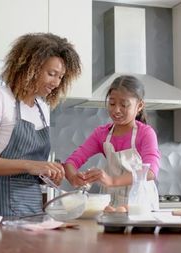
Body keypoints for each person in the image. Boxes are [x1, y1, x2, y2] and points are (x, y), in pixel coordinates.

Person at [0, 33, 82, 217]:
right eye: (51, 74)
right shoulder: (0, 97)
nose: (56, 82)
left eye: (61, 77)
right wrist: (31, 165)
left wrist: (48, 175)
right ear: (30, 67)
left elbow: (32, 170)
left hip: (33, 209)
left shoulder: (42, 108)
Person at [64, 75, 160, 210]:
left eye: (124, 105)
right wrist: (74, 178)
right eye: (112, 103)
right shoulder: (101, 134)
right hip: (111, 206)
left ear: (139, 106)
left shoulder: (146, 133)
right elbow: (71, 162)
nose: (116, 110)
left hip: (140, 206)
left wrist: (112, 181)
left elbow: (150, 172)